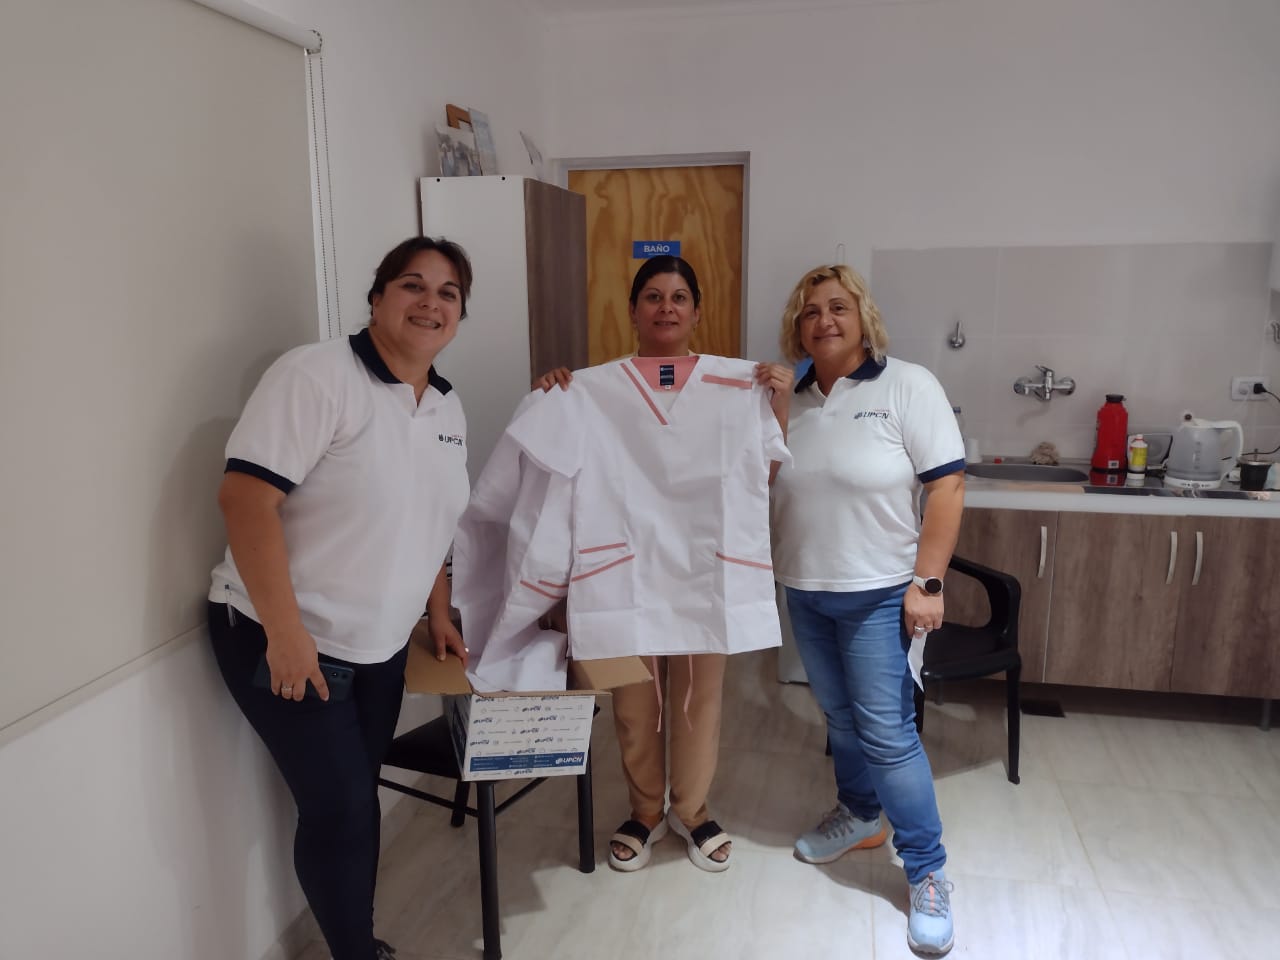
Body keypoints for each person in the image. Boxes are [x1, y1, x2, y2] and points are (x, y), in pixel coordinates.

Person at [206, 237, 473, 960]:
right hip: (280, 634)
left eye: (448, 293)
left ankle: (357, 940)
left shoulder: (446, 406)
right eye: (412, 284)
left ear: (459, 315)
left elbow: (432, 519)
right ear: (377, 297)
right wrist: (286, 635)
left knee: (355, 804)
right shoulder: (316, 375)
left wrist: (437, 611)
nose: (430, 302)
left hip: (377, 649)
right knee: (344, 810)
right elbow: (245, 500)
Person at [533, 255, 792, 873]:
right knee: (634, 702)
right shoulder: (593, 391)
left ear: (697, 311)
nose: (666, 307)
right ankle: (645, 810)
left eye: (678, 297)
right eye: (653, 296)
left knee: (699, 700)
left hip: (706, 570)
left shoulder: (735, 388)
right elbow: (553, 461)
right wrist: (551, 398)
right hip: (627, 570)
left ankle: (693, 810)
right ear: (633, 310)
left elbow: (763, 473)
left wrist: (778, 401)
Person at [769, 264, 965, 956]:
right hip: (806, 589)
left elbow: (947, 487)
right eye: (810, 311)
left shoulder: (907, 385)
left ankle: (928, 871)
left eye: (838, 307)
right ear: (797, 327)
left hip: (880, 592)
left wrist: (928, 583)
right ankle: (859, 816)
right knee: (840, 718)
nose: (823, 320)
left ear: (863, 318)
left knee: (886, 734)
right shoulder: (790, 399)